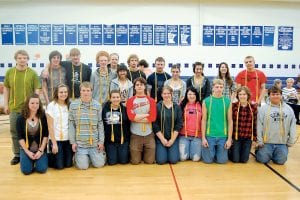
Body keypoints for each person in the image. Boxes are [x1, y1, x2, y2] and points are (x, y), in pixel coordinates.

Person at [4, 50, 41, 165]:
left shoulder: (33, 73)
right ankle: (17, 155)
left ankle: (32, 151)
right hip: (14, 108)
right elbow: (6, 89)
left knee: (32, 132)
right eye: (20, 58)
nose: (22, 60)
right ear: (16, 59)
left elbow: (37, 90)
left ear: (27, 59)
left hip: (29, 110)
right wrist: (5, 104)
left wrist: (35, 106)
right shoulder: (10, 72)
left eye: (24, 58)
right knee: (15, 132)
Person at [256, 86, 298, 165]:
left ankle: (279, 152)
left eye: (277, 94)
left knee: (280, 161)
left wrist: (291, 141)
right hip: (266, 142)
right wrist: (260, 140)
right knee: (262, 159)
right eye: (273, 94)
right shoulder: (263, 109)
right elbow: (259, 125)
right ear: (269, 95)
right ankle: (259, 150)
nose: (275, 96)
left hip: (282, 142)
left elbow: (292, 126)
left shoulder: (288, 109)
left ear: (281, 95)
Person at [69, 82, 105, 169]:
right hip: (80, 144)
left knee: (99, 165)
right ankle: (80, 157)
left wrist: (101, 142)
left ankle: (93, 156)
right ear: (80, 91)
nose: (86, 93)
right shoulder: (73, 105)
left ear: (91, 92)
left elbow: (100, 124)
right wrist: (73, 142)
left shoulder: (97, 105)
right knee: (82, 167)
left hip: (94, 143)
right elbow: (71, 125)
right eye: (83, 90)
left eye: (88, 90)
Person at [201, 79, 233, 164]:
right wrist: (203, 138)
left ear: (223, 88)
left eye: (221, 87)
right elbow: (203, 120)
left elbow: (230, 121)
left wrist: (229, 139)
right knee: (207, 161)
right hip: (210, 135)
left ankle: (219, 152)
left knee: (222, 161)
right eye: (217, 87)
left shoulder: (227, 102)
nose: (219, 89)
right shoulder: (206, 101)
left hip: (222, 136)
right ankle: (213, 151)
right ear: (213, 88)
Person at [126, 77, 157, 164]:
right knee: (135, 162)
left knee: (150, 161)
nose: (139, 86)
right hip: (135, 134)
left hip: (149, 134)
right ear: (134, 87)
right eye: (137, 85)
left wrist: (137, 117)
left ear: (144, 86)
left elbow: (153, 117)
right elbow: (131, 117)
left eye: (141, 84)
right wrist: (147, 115)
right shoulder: (130, 101)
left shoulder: (151, 100)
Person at [17, 94, 48, 175]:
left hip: (40, 148)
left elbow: (45, 135)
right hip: (27, 149)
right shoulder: (20, 118)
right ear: (27, 103)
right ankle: (28, 160)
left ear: (39, 104)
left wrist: (41, 150)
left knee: (42, 169)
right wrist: (27, 152)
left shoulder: (43, 116)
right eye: (32, 103)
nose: (35, 105)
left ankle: (38, 160)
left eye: (37, 103)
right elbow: (20, 138)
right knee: (26, 171)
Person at [153, 86, 183, 164]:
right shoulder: (157, 106)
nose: (166, 95)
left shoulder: (177, 107)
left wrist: (172, 140)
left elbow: (179, 124)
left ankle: (171, 149)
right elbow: (155, 124)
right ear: (162, 95)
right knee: (161, 161)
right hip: (161, 138)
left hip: (173, 138)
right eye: (164, 93)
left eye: (168, 93)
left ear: (172, 94)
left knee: (173, 160)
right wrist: (162, 139)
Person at [46, 84, 73, 169]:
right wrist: (54, 144)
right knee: (59, 166)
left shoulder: (70, 105)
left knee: (68, 165)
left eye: (65, 92)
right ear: (56, 93)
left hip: (67, 139)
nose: (63, 94)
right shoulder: (51, 105)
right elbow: (50, 126)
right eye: (61, 92)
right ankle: (47, 155)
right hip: (56, 139)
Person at [229, 86, 257, 163]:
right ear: (237, 96)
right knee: (235, 160)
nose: (242, 96)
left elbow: (255, 123)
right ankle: (229, 151)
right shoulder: (233, 106)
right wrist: (229, 137)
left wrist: (254, 138)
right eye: (240, 94)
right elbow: (229, 121)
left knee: (244, 160)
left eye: (244, 94)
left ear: (248, 95)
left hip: (247, 137)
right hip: (236, 137)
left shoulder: (253, 107)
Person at [102, 90, 130, 165]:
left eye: (117, 97)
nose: (115, 99)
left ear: (120, 98)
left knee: (124, 161)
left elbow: (128, 125)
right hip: (110, 141)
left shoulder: (125, 109)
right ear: (110, 99)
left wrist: (128, 140)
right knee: (112, 162)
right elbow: (102, 125)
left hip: (123, 141)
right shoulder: (105, 109)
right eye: (113, 97)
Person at [179, 87, 202, 162]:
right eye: (189, 94)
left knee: (195, 159)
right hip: (184, 136)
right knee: (183, 158)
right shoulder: (182, 105)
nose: (191, 96)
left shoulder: (201, 105)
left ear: (196, 95)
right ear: (186, 95)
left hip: (197, 137)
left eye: (193, 94)